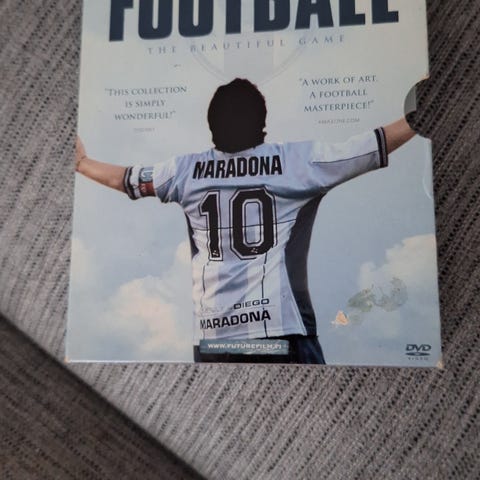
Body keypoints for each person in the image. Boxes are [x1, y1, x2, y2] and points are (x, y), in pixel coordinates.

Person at [76, 78, 415, 364]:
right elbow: (372, 147)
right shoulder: (297, 162)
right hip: (280, 333)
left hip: (215, 340)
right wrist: (417, 117)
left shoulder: (183, 171)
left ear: (211, 125)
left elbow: (127, 180)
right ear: (261, 122)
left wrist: (81, 163)